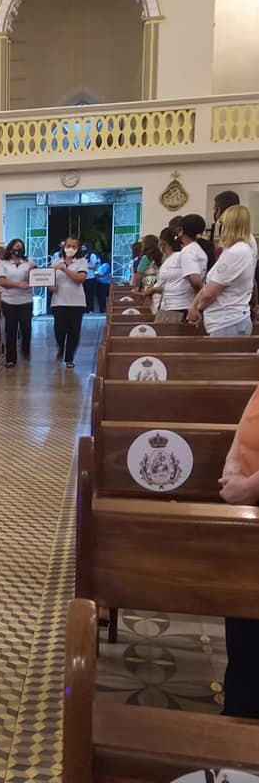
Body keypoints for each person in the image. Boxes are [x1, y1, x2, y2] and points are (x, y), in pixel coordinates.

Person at [218, 384, 259, 718]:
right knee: (243, 618)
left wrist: (251, 485)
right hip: (249, 511)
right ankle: (239, 713)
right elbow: (250, 414)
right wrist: (233, 459)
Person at [188, 206, 255, 336]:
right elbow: (209, 284)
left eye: (222, 223)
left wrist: (197, 309)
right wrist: (193, 305)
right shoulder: (232, 250)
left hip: (228, 322)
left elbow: (211, 292)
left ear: (229, 225)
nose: (220, 227)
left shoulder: (237, 252)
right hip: (224, 321)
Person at [50, 237, 89, 368]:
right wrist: (51, 286)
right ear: (64, 246)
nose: (70, 248)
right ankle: (61, 348)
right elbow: (49, 279)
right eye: (68, 245)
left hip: (76, 302)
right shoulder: (56, 261)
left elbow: (80, 278)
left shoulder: (82, 262)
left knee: (74, 331)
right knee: (59, 329)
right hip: (58, 302)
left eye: (73, 246)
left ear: (78, 248)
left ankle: (69, 358)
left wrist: (65, 269)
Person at [0, 238, 36, 367]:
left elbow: (37, 278)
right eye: (16, 247)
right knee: (11, 330)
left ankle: (25, 349)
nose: (18, 249)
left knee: (26, 328)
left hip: (26, 300)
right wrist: (18, 285)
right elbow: (2, 281)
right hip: (9, 301)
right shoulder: (3, 264)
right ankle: (11, 359)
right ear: (10, 248)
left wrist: (34, 270)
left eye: (20, 247)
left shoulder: (28, 262)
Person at [140, 227, 192, 323]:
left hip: (176, 306)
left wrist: (152, 289)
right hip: (165, 304)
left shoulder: (178, 257)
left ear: (162, 242)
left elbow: (177, 285)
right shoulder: (168, 259)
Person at [178, 214, 211, 292]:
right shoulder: (196, 248)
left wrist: (200, 296)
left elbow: (195, 282)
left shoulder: (188, 251)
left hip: (186, 297)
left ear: (181, 230)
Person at [81, 243, 99, 313]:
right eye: (82, 248)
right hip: (82, 277)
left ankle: (90, 309)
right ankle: (84, 309)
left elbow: (93, 266)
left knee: (90, 294)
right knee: (83, 294)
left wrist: (85, 264)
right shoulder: (81, 256)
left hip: (90, 277)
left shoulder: (92, 256)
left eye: (84, 248)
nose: (82, 249)